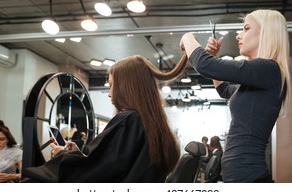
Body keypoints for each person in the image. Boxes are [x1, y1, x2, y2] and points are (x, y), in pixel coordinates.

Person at [22, 54, 188, 182]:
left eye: (111, 84)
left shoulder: (128, 121)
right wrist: (78, 155)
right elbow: (111, 166)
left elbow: (92, 173)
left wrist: (62, 156)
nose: (109, 93)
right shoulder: (154, 124)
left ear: (126, 87)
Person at [180, 9, 290, 183]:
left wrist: (187, 36)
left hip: (249, 179)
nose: (239, 35)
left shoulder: (269, 69)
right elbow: (224, 90)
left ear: (266, 33)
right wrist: (211, 56)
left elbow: (203, 65)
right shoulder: (260, 78)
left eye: (246, 28)